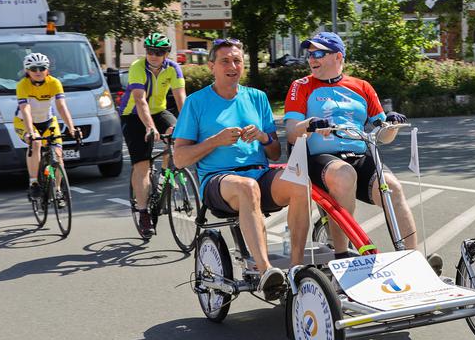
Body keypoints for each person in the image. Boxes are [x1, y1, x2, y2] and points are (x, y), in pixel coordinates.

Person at [284, 32, 442, 273]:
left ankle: (413, 259)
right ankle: (341, 254)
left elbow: (384, 136)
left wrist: (392, 124)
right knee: (344, 175)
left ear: (338, 56)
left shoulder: (362, 86)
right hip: (317, 158)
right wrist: (310, 124)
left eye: (318, 53)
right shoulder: (301, 86)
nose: (311, 58)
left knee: (392, 188)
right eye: (309, 54)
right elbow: (292, 132)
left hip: (357, 154)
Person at [173, 38, 309, 299]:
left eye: (237, 60)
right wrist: (215, 140)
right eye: (225, 61)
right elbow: (180, 158)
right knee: (248, 188)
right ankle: (265, 269)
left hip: (259, 171)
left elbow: (274, 152)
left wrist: (262, 137)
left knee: (300, 182)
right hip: (218, 180)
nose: (232, 66)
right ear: (212, 66)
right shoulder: (196, 102)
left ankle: (295, 267)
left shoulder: (257, 97)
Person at [119, 33, 187, 238]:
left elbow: (181, 98)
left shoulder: (173, 68)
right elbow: (140, 101)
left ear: (166, 53)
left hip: (159, 111)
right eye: (150, 51)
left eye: (159, 52)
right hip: (133, 115)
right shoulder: (137, 67)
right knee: (142, 165)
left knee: (176, 136)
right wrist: (150, 127)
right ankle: (143, 212)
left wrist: (185, 126)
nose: (154, 56)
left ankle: (165, 174)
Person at [13, 52, 79, 205]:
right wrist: (30, 132)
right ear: (27, 70)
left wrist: (72, 128)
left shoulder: (54, 83)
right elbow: (26, 109)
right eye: (33, 68)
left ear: (47, 69)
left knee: (57, 154)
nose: (38, 72)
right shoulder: (23, 84)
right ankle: (34, 183)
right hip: (25, 122)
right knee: (35, 144)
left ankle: (57, 190)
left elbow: (61, 107)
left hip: (48, 121)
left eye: (42, 68)